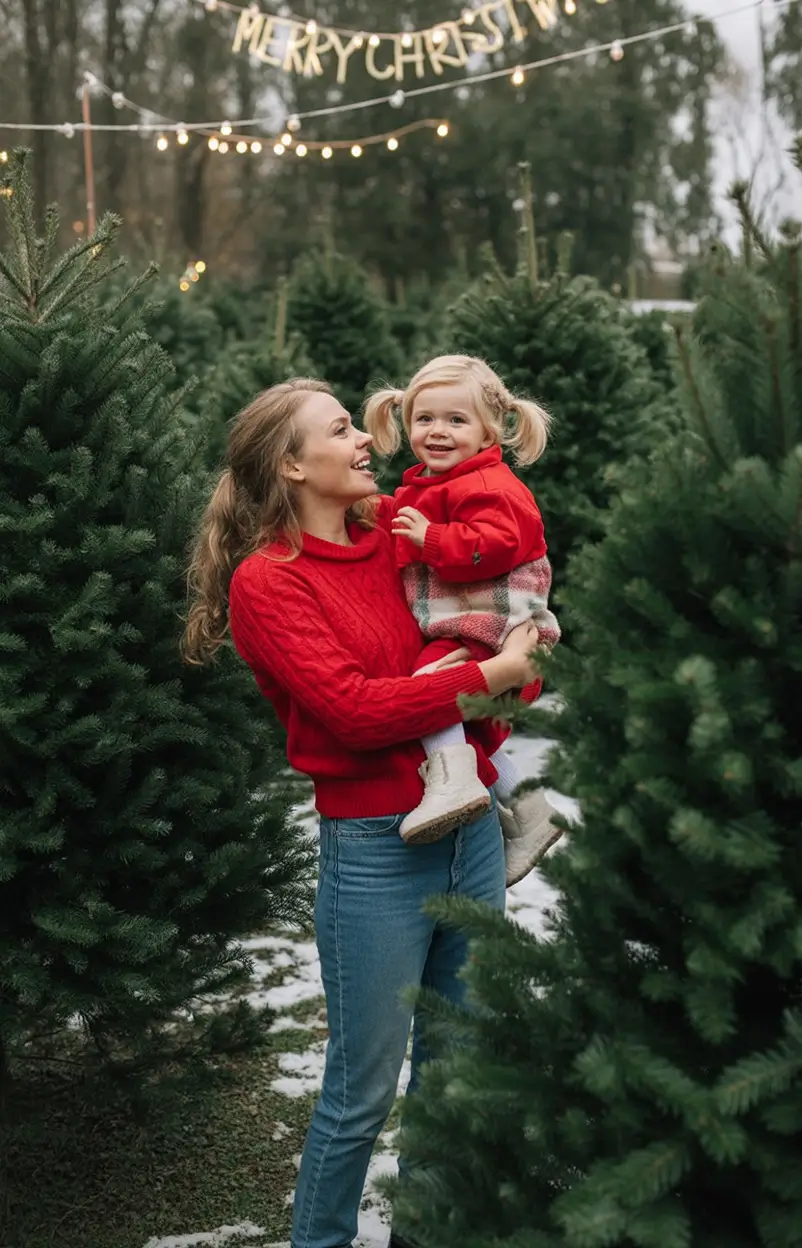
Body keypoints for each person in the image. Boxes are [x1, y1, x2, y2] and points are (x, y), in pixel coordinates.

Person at [180, 378, 541, 1248]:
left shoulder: (395, 540)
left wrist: (516, 652)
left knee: (454, 1074)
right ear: (294, 466)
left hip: (473, 839)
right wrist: (486, 677)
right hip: (379, 850)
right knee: (361, 1094)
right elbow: (355, 710)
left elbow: (486, 596)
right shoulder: (269, 584)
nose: (366, 440)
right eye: (342, 430)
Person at [364, 354, 563, 885]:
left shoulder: (491, 486)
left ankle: (453, 785)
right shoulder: (435, 482)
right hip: (467, 622)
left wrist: (431, 539)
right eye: (425, 419)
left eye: (457, 420)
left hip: (494, 624)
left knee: (430, 688)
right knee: (466, 729)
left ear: (488, 430)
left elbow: (494, 547)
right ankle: (531, 811)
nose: (439, 431)